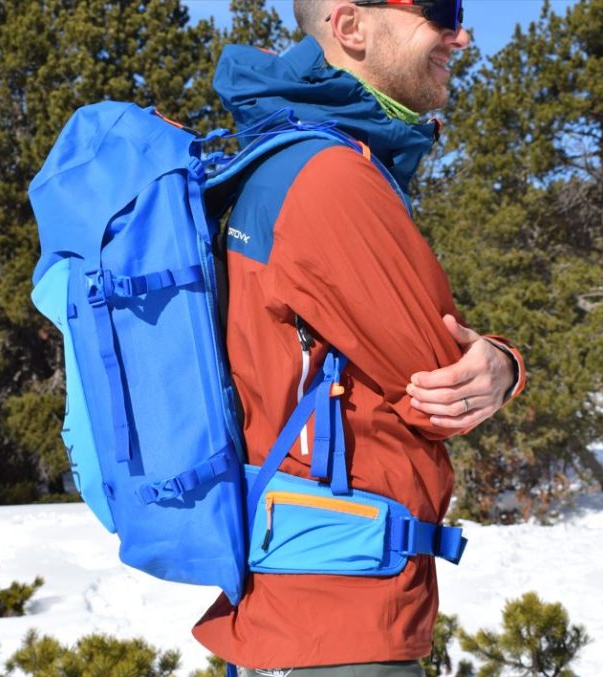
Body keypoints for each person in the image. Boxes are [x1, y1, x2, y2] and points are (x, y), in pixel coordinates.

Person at [193, 1, 527, 674]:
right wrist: (503, 364)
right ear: (350, 27)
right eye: (438, 10)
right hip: (341, 618)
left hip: (305, 604)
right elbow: (440, 386)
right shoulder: (331, 178)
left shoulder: (290, 160)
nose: (460, 34)